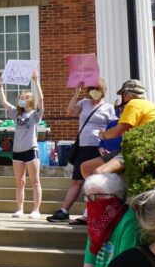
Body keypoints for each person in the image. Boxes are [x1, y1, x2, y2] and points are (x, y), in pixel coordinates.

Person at [48, 80, 116, 224]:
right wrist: (76, 93)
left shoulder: (108, 107)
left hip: (98, 148)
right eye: (91, 89)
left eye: (96, 89)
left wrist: (106, 145)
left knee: (95, 182)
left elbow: (113, 129)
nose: (93, 92)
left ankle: (89, 213)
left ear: (102, 90)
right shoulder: (84, 103)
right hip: (83, 147)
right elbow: (70, 111)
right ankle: (64, 211)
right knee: (77, 180)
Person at [91, 80, 155, 176]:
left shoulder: (134, 103)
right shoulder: (150, 105)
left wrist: (102, 134)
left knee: (98, 173)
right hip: (144, 149)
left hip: (138, 150)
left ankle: (107, 190)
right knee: (86, 167)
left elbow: (117, 131)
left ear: (125, 94)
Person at [0, 71, 44, 219]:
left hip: (31, 150)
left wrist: (36, 82)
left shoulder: (35, 115)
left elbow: (41, 100)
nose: (21, 100)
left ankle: (36, 209)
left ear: (30, 100)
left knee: (35, 181)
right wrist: (1, 87)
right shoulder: (16, 114)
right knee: (20, 182)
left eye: (24, 98)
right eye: (20, 98)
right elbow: (4, 103)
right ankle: (20, 209)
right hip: (17, 152)